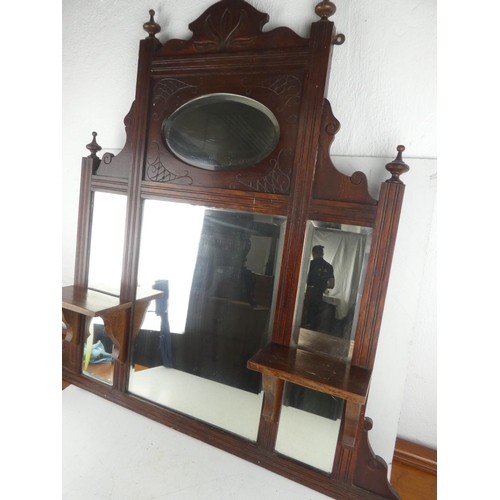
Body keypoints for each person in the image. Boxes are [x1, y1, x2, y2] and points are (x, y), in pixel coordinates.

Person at [305, 245, 335, 329]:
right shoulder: (328, 266)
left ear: (313, 253)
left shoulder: (309, 264)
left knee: (306, 319)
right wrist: (323, 284)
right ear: (322, 254)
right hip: (319, 296)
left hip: (309, 294)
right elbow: (332, 285)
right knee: (316, 321)